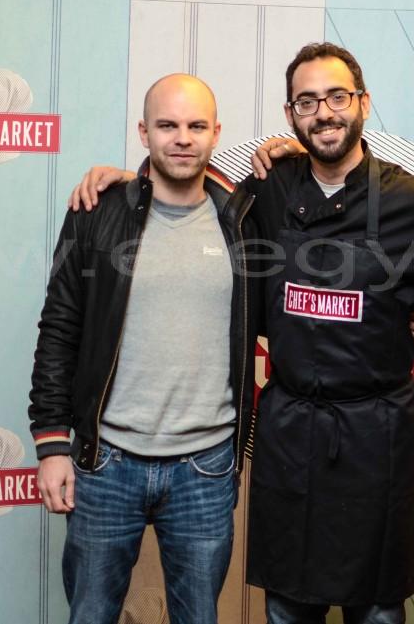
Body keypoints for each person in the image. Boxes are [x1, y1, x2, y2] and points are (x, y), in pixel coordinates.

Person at [70, 43, 414, 624]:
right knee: (286, 609)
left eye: (337, 97)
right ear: (290, 114)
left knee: (378, 612)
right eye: (307, 101)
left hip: (376, 438)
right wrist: (124, 181)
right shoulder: (265, 188)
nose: (324, 112)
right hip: (290, 433)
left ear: (364, 103)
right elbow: (183, 179)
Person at [28, 73, 259, 624]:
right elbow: (59, 329)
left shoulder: (244, 221)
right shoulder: (96, 212)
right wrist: (52, 444)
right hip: (107, 462)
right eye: (167, 125)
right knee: (91, 614)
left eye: (196, 126)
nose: (182, 138)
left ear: (216, 133)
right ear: (143, 132)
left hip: (206, 466)